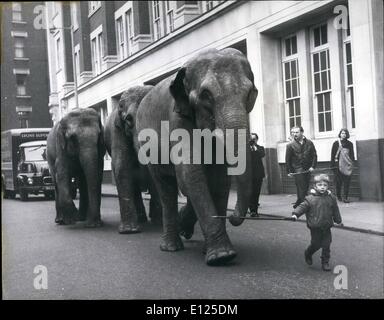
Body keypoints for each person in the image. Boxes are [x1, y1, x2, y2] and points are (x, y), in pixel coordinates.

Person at [291, 174, 342, 271]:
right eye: (320, 185)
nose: (322, 187)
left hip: (326, 226)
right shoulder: (310, 199)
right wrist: (295, 214)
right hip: (315, 227)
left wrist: (338, 220)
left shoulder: (331, 198)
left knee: (327, 244)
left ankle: (325, 262)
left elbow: (335, 210)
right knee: (316, 244)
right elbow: (302, 207)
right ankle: (308, 253)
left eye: (325, 185)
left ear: (328, 186)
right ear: (315, 186)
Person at [285, 126, 317, 208]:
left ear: (302, 132)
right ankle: (304, 206)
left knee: (305, 187)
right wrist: (289, 171)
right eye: (292, 132)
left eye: (296, 132)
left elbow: (314, 155)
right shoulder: (290, 145)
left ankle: (299, 202)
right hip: (297, 169)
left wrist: (313, 166)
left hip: (308, 168)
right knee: (301, 187)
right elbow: (287, 159)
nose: (294, 134)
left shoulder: (309, 143)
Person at [331, 128, 355, 203]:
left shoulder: (350, 144)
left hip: (347, 165)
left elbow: (352, 155)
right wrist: (333, 165)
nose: (343, 135)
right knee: (338, 182)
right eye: (342, 133)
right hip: (338, 166)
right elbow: (333, 155)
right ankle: (338, 196)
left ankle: (345, 197)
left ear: (347, 134)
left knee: (347, 182)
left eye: (345, 133)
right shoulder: (336, 143)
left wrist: (351, 164)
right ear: (340, 134)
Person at [248, 133, 265, 217]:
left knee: (256, 193)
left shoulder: (260, 148)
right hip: (249, 174)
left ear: (257, 140)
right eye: (251, 139)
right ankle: (252, 210)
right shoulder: (246, 149)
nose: (252, 140)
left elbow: (262, 155)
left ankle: (254, 210)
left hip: (258, 174)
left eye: (254, 139)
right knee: (250, 192)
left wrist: (254, 147)